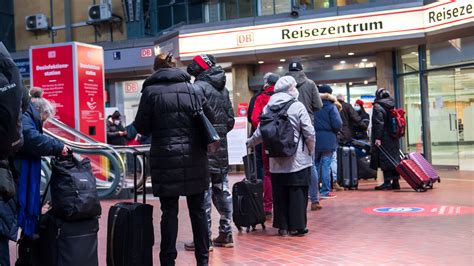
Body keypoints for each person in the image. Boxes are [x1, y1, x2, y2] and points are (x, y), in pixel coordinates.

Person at [134, 53, 215, 265]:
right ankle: (203, 260)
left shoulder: (150, 92)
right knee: (198, 211)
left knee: (169, 212)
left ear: (156, 69)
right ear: (174, 66)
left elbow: (141, 126)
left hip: (165, 158)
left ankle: (168, 261)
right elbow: (210, 120)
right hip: (195, 157)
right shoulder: (194, 89)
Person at [247, 76, 315, 237]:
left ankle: (282, 226)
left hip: (276, 158)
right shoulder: (297, 106)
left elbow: (260, 132)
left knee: (280, 192)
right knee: (297, 192)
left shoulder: (268, 107)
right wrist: (311, 150)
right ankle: (297, 226)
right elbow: (309, 132)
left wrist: (249, 143)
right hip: (297, 158)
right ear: (292, 89)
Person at [184, 54, 235, 249]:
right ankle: (226, 233)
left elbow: (193, 120)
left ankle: (204, 239)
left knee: (203, 194)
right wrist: (218, 135)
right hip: (221, 149)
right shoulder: (224, 89)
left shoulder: (198, 88)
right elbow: (229, 121)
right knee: (222, 190)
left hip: (203, 150)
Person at [12, 87, 69, 258]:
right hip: (17, 170)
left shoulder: (25, 113)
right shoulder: (27, 115)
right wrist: (58, 147)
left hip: (18, 168)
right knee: (14, 214)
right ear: (41, 111)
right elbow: (30, 138)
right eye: (44, 119)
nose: (43, 123)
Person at [287, 62, 323, 210]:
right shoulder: (310, 83)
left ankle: (293, 198)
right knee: (310, 163)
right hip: (307, 124)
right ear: (301, 70)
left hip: (288, 127)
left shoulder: (284, 84)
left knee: (289, 162)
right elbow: (319, 105)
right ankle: (314, 200)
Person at [250, 72, 279, 218]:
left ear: (267, 83)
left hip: (267, 141)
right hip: (285, 141)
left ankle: (268, 206)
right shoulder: (286, 97)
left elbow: (255, 119)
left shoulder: (261, 98)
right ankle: (282, 205)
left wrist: (264, 133)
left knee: (267, 173)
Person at [314, 85, 343, 199]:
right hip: (328, 139)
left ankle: (313, 191)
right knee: (326, 165)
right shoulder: (331, 107)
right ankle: (325, 191)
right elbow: (337, 124)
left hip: (315, 138)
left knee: (315, 165)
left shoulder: (313, 106)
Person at [370, 88, 401, 190]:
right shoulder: (392, 104)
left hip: (384, 137)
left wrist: (378, 137)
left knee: (385, 159)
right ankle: (396, 182)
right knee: (394, 159)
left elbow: (379, 123)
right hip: (393, 136)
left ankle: (387, 182)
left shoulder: (378, 106)